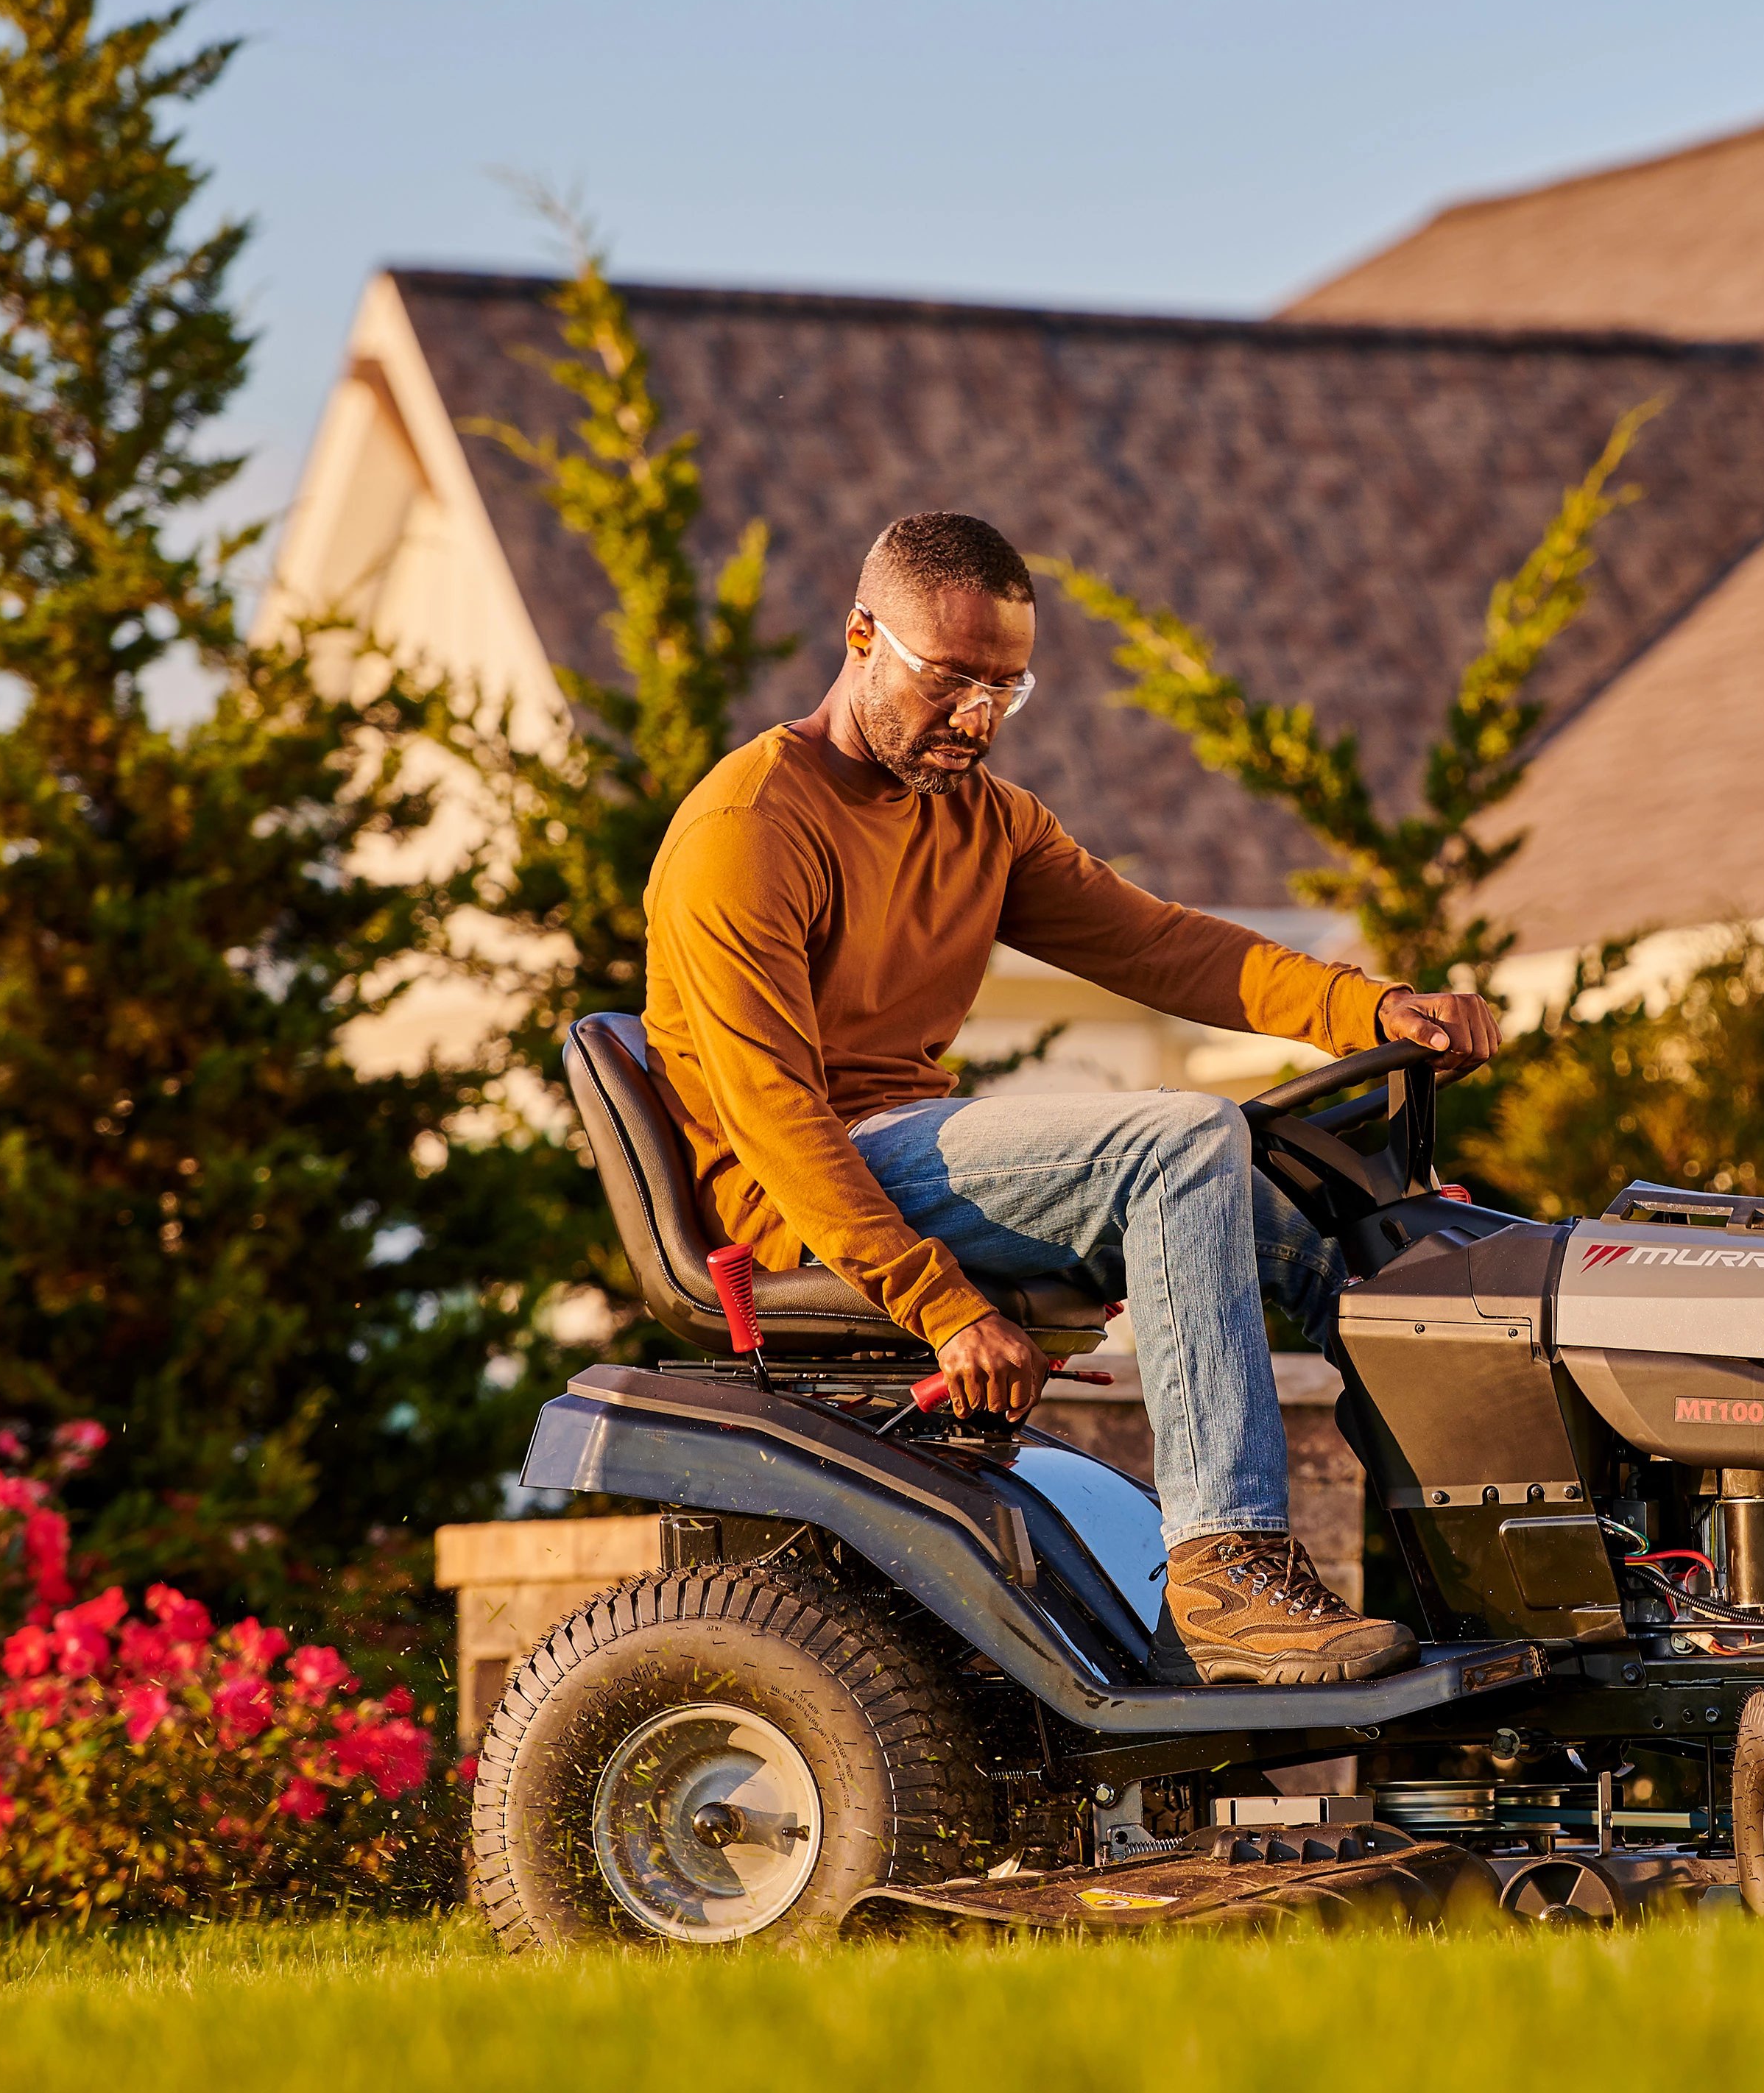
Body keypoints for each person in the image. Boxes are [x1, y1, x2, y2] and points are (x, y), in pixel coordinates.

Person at [641, 511, 1498, 1684]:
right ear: (859, 639)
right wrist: (939, 1303)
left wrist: (1372, 1007)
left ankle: (1486, 1567)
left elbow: (1164, 948)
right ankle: (1225, 1572)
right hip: (810, 1188)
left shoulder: (984, 818)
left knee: (1327, 1230)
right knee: (1185, 1135)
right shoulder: (750, 829)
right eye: (950, 681)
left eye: (1007, 687)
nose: (979, 717)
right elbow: (774, 1114)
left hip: (910, 1155)